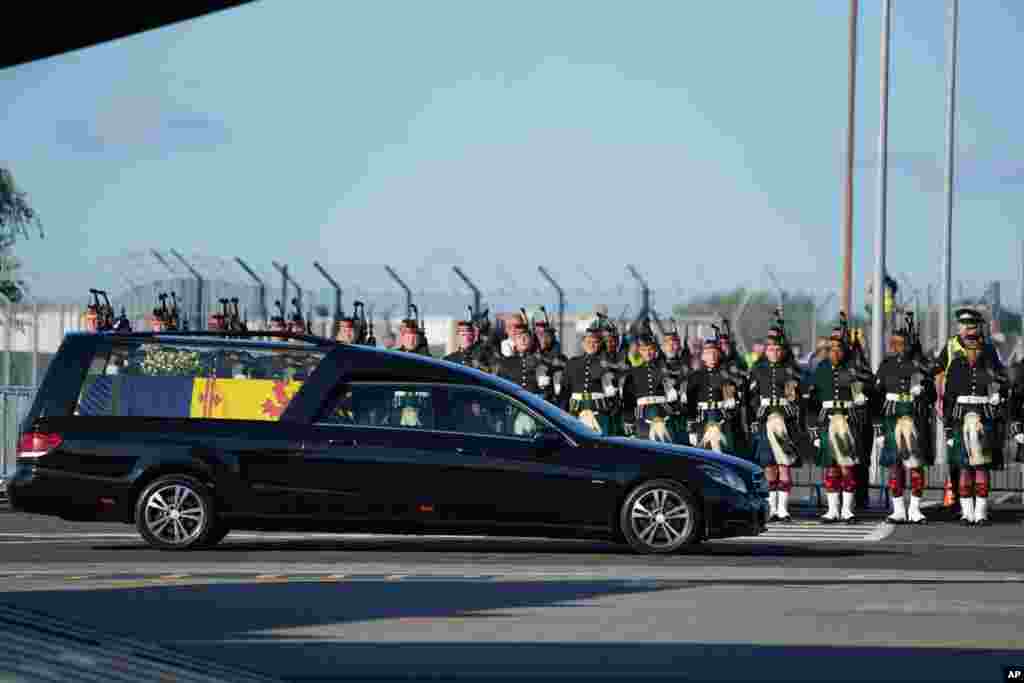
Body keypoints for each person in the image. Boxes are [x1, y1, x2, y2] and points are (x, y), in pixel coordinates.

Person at [931, 308, 1006, 513]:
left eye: (972, 325)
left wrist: (996, 392)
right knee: (958, 458)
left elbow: (1000, 373)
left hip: (981, 407)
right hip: (956, 405)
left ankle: (978, 505)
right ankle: (955, 497)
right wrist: (941, 399)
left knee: (981, 458)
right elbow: (938, 372)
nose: (967, 330)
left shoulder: (988, 349)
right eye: (964, 325)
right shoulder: (950, 346)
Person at [805, 326, 876, 523]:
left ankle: (847, 510)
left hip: (848, 420)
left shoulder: (853, 367)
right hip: (827, 419)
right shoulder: (821, 368)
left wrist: (860, 386)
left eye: (838, 349)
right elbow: (812, 401)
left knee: (847, 467)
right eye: (831, 349)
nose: (834, 353)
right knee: (831, 468)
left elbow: (870, 384)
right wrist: (813, 431)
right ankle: (832, 510)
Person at [873, 322, 937, 524]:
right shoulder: (886, 365)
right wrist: (879, 429)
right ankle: (898, 509)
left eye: (902, 343)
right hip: (892, 417)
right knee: (895, 466)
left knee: (916, 466)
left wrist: (924, 390)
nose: (897, 346)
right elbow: (877, 398)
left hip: (914, 417)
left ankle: (915, 509)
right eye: (895, 343)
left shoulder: (922, 365)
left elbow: (933, 396)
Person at [746, 329, 810, 522]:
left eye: (777, 349)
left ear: (782, 351)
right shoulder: (758, 370)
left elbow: (795, 397)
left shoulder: (790, 370)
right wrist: (754, 419)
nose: (774, 352)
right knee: (768, 465)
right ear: (766, 351)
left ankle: (783, 509)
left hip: (784, 420)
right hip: (765, 419)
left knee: (784, 463)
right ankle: (771, 507)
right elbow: (751, 398)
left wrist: (791, 410)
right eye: (770, 349)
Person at [621, 328, 685, 442]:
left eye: (650, 349)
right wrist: (629, 421)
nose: (648, 353)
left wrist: (674, 408)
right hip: (642, 415)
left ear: (655, 350)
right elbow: (628, 399)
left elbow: (677, 390)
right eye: (644, 350)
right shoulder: (633, 372)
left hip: (663, 412)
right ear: (640, 351)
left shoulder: (665, 369)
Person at [686, 335, 742, 454]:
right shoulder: (695, 376)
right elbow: (691, 405)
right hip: (702, 418)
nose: (711, 356)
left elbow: (732, 401)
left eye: (714, 353)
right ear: (702, 356)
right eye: (707, 353)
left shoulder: (724, 375)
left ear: (719, 355)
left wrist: (731, 399)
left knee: (725, 452)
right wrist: (691, 429)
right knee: (703, 454)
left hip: (721, 417)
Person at [562, 322, 621, 435]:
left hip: (599, 411)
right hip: (576, 411)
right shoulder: (572, 363)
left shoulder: (607, 363)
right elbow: (565, 392)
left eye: (595, 342)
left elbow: (614, 393)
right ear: (582, 344)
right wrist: (563, 414)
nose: (591, 345)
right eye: (588, 342)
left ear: (600, 344)